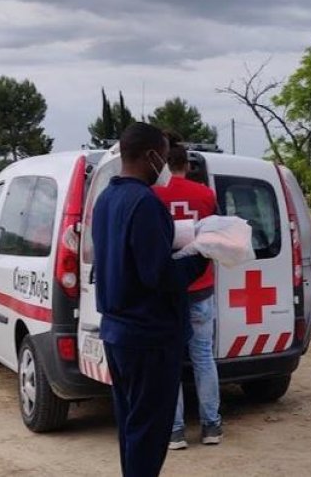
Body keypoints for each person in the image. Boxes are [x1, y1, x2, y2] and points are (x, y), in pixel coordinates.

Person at [92, 122, 208, 477]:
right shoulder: (144, 203)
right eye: (162, 155)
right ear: (149, 156)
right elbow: (157, 275)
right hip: (149, 337)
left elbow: (128, 258)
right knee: (149, 431)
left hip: (117, 333)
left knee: (132, 425)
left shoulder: (106, 199)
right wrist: (201, 253)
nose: (165, 165)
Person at [152, 140, 223, 450]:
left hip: (166, 289)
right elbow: (216, 236)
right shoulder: (206, 195)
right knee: (203, 357)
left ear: (166, 165)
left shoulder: (153, 195)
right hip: (201, 287)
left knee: (169, 362)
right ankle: (211, 427)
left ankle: (175, 431)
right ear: (187, 166)